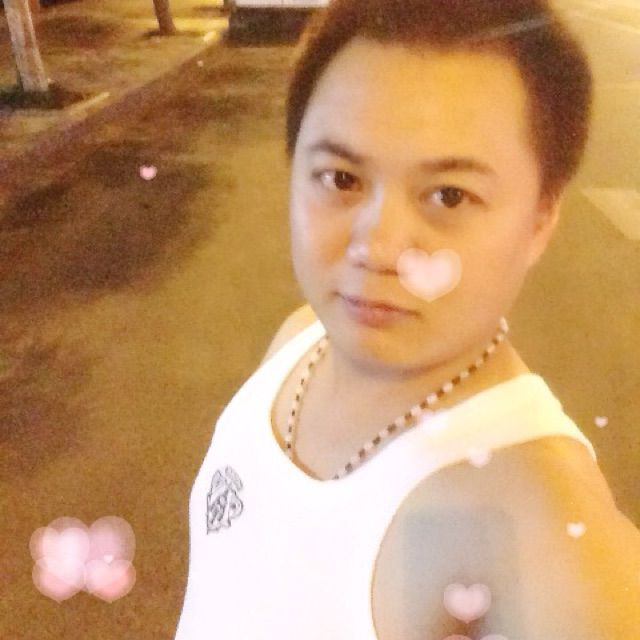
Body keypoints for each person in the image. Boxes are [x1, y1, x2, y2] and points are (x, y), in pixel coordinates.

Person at [175, 1, 640, 638]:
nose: (378, 247)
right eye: (341, 178)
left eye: (450, 195)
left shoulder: (548, 537)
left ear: (539, 221)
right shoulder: (298, 341)